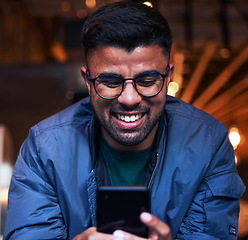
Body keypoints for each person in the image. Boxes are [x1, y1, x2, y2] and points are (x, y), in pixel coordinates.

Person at [3, 1, 245, 240]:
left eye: (148, 80)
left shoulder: (210, 145)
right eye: (110, 81)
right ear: (88, 81)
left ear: (168, 76)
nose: (130, 98)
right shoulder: (43, 147)